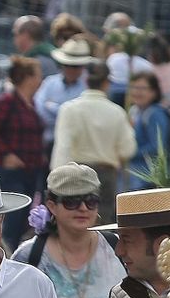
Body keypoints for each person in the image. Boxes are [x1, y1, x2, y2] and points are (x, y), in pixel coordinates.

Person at [14, 164, 125, 298]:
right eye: (72, 201)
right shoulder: (29, 256)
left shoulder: (116, 247)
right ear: (51, 205)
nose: (83, 208)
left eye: (91, 201)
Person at [51, 60, 136, 222]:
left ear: (85, 80)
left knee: (74, 220)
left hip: (75, 172)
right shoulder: (117, 112)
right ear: (107, 82)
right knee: (102, 224)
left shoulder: (68, 109)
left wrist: (57, 180)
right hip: (106, 174)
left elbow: (62, 148)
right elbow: (128, 149)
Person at [0, 56, 48, 249]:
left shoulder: (32, 104)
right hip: (11, 172)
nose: (41, 80)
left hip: (31, 170)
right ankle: (5, 252)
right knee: (11, 218)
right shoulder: (7, 102)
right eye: (38, 76)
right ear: (27, 78)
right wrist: (6, 154)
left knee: (22, 220)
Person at [35, 36, 94, 144]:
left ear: (83, 67)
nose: (70, 70)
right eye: (67, 65)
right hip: (48, 142)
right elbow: (39, 110)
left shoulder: (89, 88)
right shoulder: (49, 83)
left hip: (75, 146)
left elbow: (81, 119)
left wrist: (53, 107)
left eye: (75, 66)